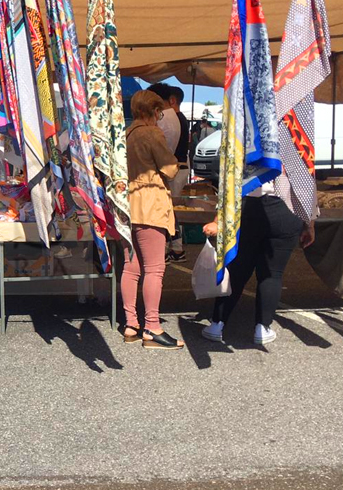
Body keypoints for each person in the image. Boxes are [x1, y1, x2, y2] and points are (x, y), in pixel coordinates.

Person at [202, 173, 315, 345]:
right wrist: (310, 223)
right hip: (285, 208)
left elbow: (229, 178)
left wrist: (219, 219)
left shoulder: (245, 144)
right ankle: (262, 327)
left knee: (237, 269)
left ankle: (217, 324)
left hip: (247, 207)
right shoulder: (296, 144)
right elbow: (306, 182)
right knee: (272, 273)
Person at [120, 90, 183, 350]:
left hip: (127, 205)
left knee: (130, 267)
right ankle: (153, 327)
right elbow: (169, 168)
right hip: (150, 204)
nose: (160, 116)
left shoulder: (127, 134)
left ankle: (131, 324)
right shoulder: (152, 133)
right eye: (158, 111)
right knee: (155, 269)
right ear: (153, 111)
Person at [149, 83, 191, 263]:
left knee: (167, 210)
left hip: (172, 169)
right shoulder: (176, 117)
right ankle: (175, 247)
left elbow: (161, 149)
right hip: (176, 168)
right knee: (170, 210)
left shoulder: (165, 118)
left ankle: (169, 247)